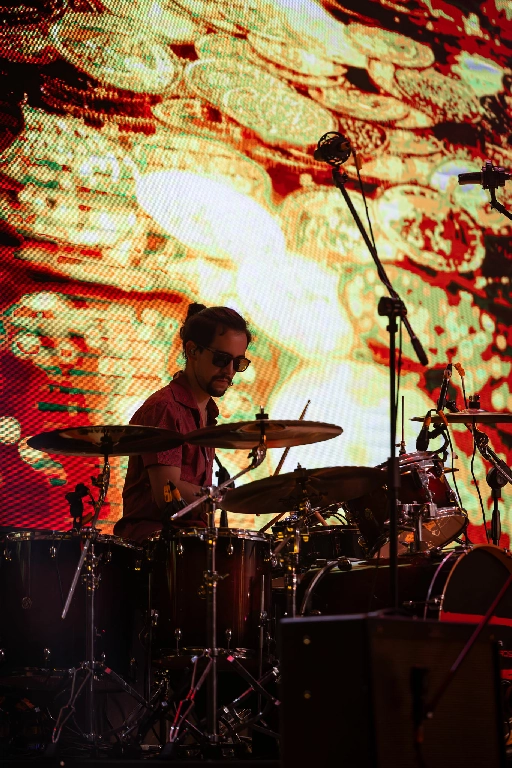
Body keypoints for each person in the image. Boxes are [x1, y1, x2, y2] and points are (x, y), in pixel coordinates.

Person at [114, 303, 252, 543]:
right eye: (221, 359)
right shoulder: (166, 408)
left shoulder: (207, 413)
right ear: (192, 350)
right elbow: (168, 494)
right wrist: (224, 498)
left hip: (189, 542)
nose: (229, 371)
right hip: (156, 545)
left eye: (238, 363)